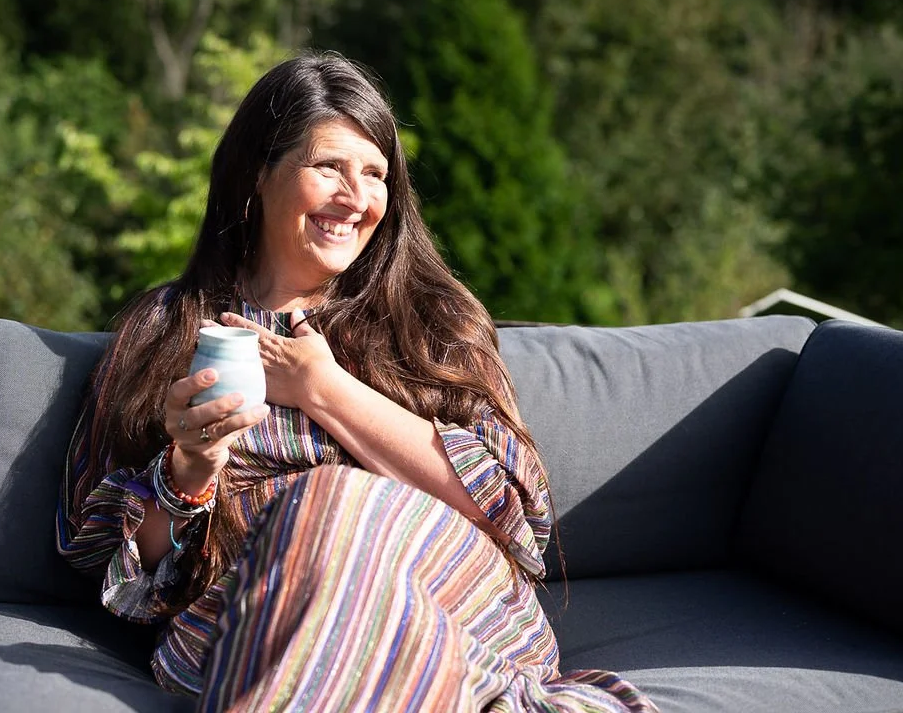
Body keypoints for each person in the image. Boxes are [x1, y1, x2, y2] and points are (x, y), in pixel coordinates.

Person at [56, 52, 659, 713]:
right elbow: (133, 590)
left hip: (451, 597)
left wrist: (325, 390)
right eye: (329, 167)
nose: (356, 198)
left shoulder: (434, 320)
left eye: (375, 174)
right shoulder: (167, 328)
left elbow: (513, 520)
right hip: (253, 616)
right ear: (259, 175)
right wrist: (187, 472)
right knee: (317, 511)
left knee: (334, 500)